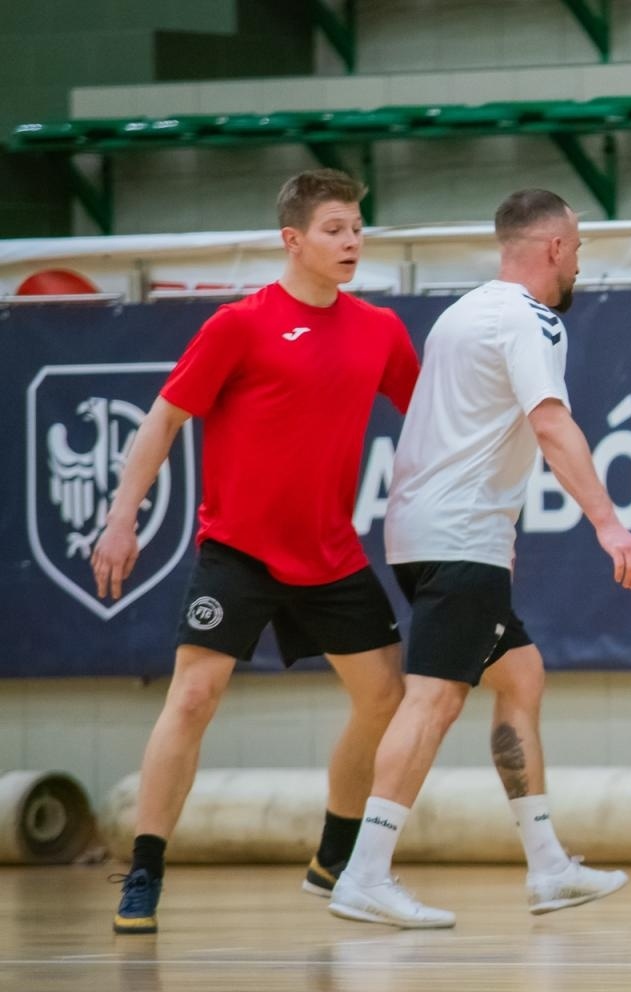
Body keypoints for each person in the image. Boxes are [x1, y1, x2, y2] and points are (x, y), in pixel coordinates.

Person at [92, 169, 420, 933]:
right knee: (195, 697)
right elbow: (163, 420)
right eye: (335, 229)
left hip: (332, 554)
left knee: (385, 698)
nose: (351, 242)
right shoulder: (239, 325)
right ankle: (144, 870)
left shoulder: (379, 331)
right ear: (293, 239)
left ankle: (333, 857)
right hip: (236, 549)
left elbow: (436, 414)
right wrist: (120, 517)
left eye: (357, 229)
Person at [329, 189, 631, 929]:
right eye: (578, 248)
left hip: (418, 530)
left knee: (520, 673)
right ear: (555, 249)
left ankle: (547, 867)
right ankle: (365, 872)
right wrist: (608, 524)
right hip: (463, 535)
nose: (578, 263)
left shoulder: (461, 311)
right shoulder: (530, 319)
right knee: (434, 698)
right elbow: (551, 422)